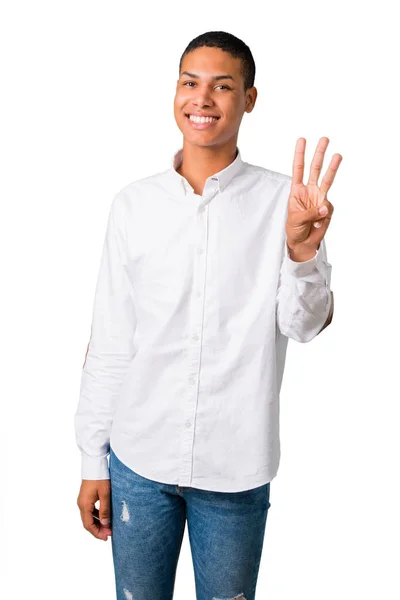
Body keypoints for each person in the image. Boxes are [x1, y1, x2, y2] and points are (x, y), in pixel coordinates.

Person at [74, 30, 341, 600]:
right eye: (190, 83)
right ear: (175, 91)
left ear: (248, 99)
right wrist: (90, 458)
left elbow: (305, 325)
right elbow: (111, 341)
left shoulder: (283, 203)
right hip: (137, 461)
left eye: (223, 86)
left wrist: (302, 252)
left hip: (236, 467)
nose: (203, 99)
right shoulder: (133, 205)